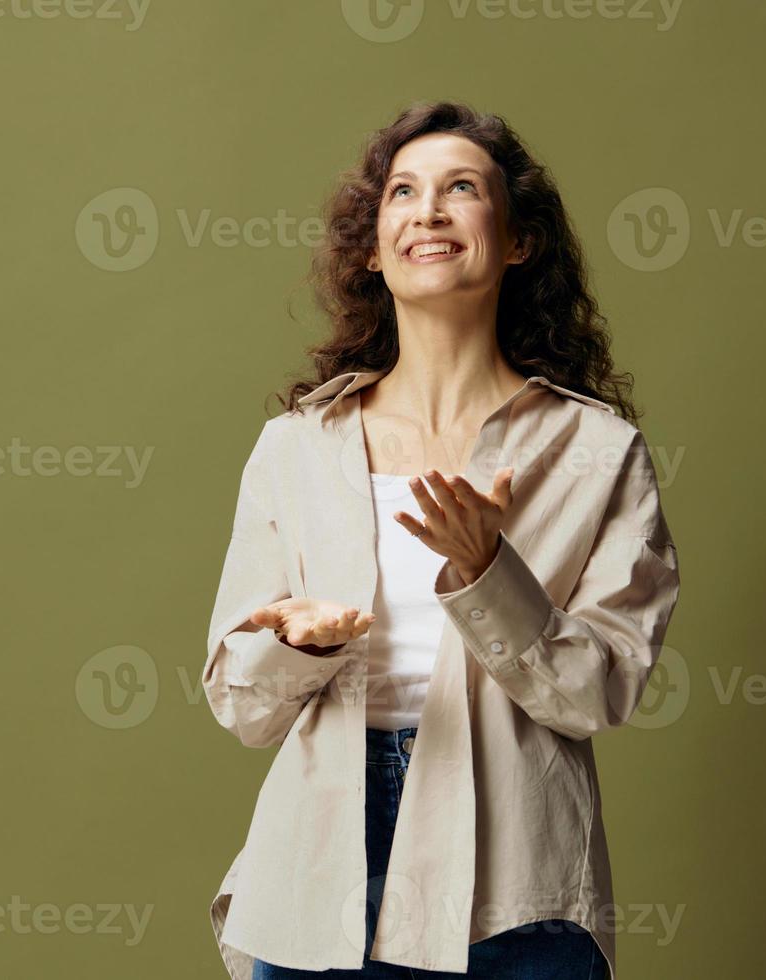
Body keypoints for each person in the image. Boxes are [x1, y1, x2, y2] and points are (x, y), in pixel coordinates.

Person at [201, 101, 681, 980]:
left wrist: (486, 571)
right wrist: (296, 642)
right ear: (375, 251)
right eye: (403, 193)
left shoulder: (597, 451)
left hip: (513, 868)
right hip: (318, 861)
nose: (428, 210)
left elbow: (597, 692)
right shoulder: (299, 447)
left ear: (516, 241)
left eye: (461, 188)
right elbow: (241, 705)